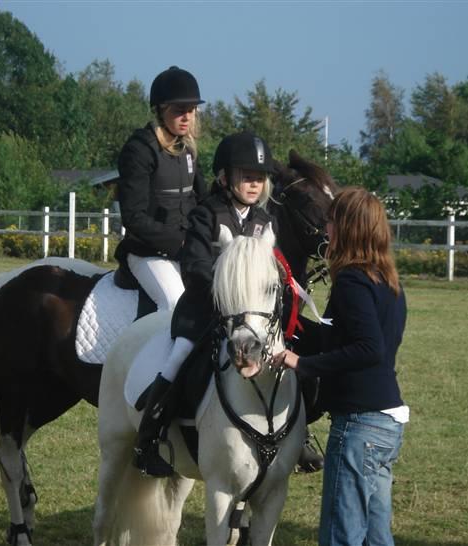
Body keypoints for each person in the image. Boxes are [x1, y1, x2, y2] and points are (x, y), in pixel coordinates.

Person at [133, 132, 277, 477]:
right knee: (178, 356)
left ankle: (294, 436)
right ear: (225, 178)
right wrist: (225, 292)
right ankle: (148, 439)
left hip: (250, 316)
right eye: (246, 177)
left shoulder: (265, 222)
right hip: (203, 311)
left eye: (259, 178)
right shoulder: (205, 215)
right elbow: (194, 265)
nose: (254, 184)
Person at [272, 187, 408, 546]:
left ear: (347, 228)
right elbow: (345, 339)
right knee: (377, 537)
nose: (326, 229)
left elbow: (368, 349)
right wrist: (291, 326)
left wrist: (302, 363)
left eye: (330, 221)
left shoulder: (351, 280)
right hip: (386, 423)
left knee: (340, 535)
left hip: (359, 427)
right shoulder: (386, 279)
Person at [114, 65, 207, 311]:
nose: (187, 117)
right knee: (176, 303)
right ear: (160, 111)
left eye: (191, 110)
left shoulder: (188, 149)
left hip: (187, 251)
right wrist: (181, 243)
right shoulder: (139, 150)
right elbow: (133, 216)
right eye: (179, 111)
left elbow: (203, 201)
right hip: (147, 254)